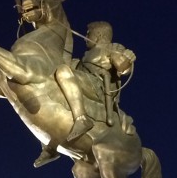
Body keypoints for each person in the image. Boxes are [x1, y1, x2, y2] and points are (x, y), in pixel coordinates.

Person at [35, 21, 136, 168]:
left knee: (63, 71)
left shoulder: (112, 47)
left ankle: (81, 119)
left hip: (98, 87)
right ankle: (49, 144)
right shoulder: (85, 57)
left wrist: (126, 59)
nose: (85, 37)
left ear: (99, 35)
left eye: (88, 34)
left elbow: (123, 67)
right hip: (85, 84)